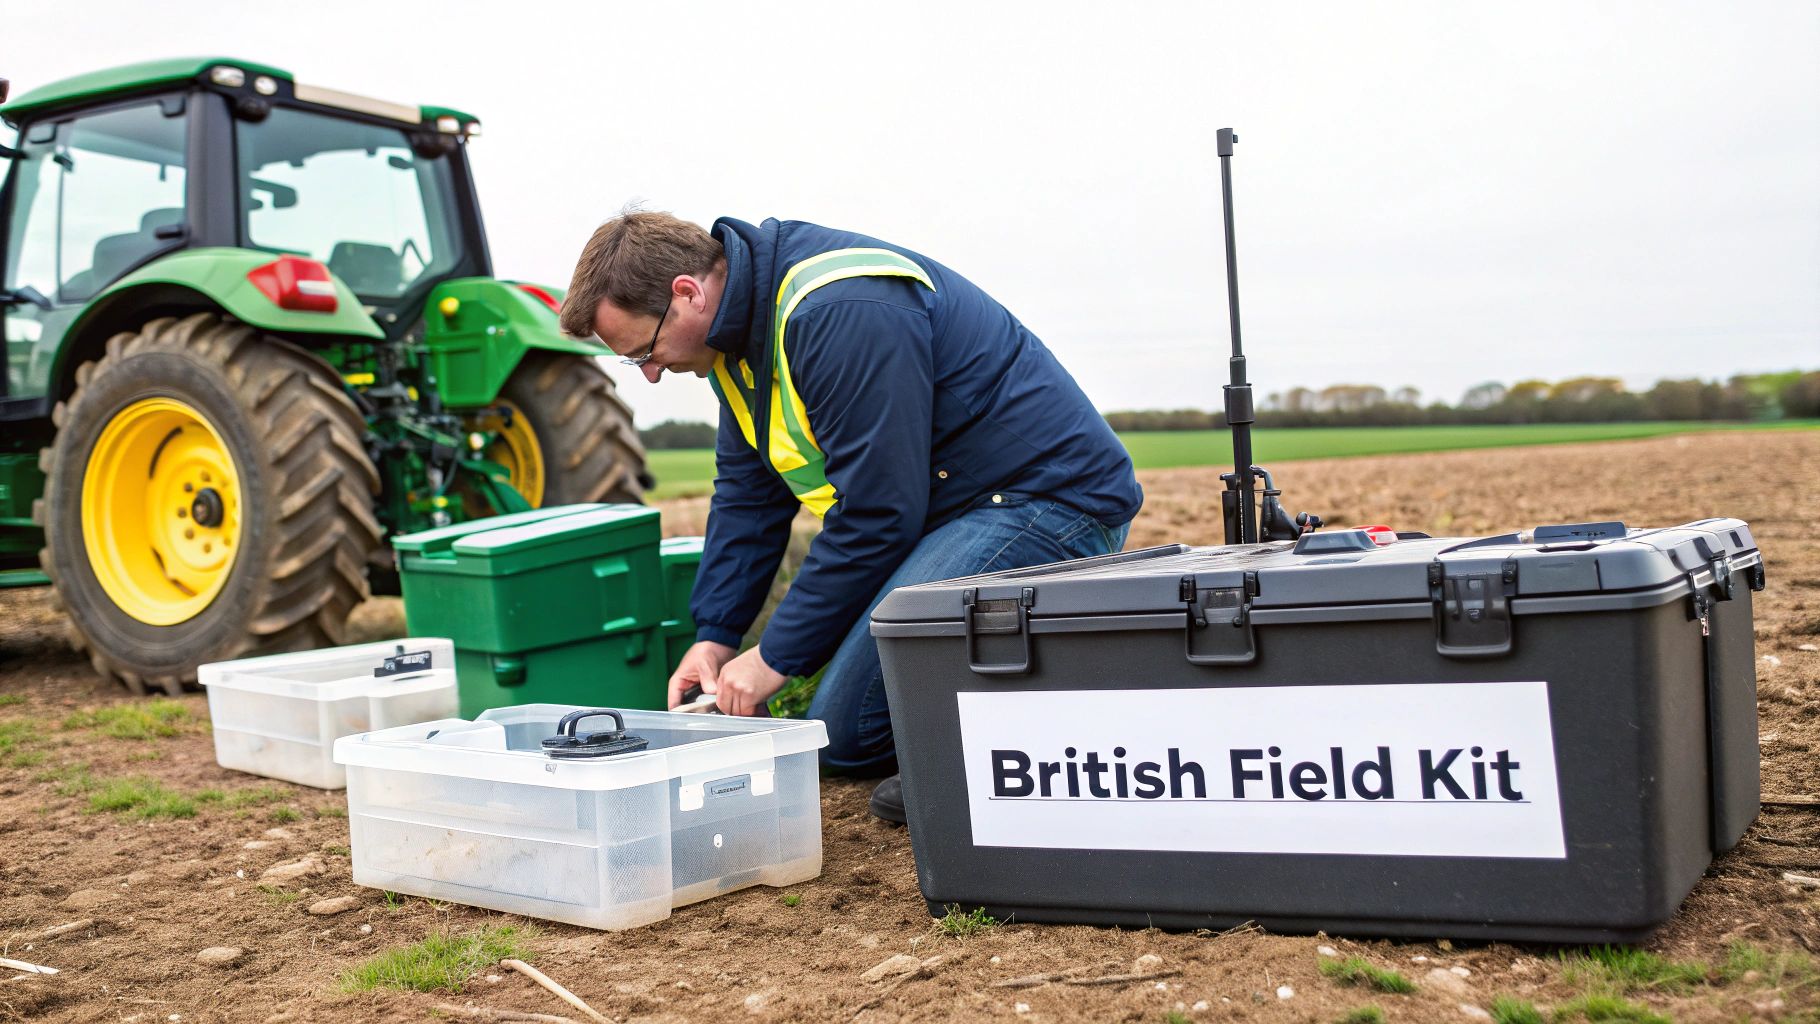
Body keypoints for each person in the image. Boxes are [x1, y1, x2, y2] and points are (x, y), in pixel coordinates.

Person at [561, 212, 1141, 822]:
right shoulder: (734, 342)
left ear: (688, 292)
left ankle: (1021, 745)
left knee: (847, 728)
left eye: (644, 352)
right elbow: (748, 496)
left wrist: (772, 659)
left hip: (1044, 504)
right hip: (948, 515)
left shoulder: (837, 311)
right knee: (843, 696)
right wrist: (716, 635)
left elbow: (877, 514)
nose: (651, 373)